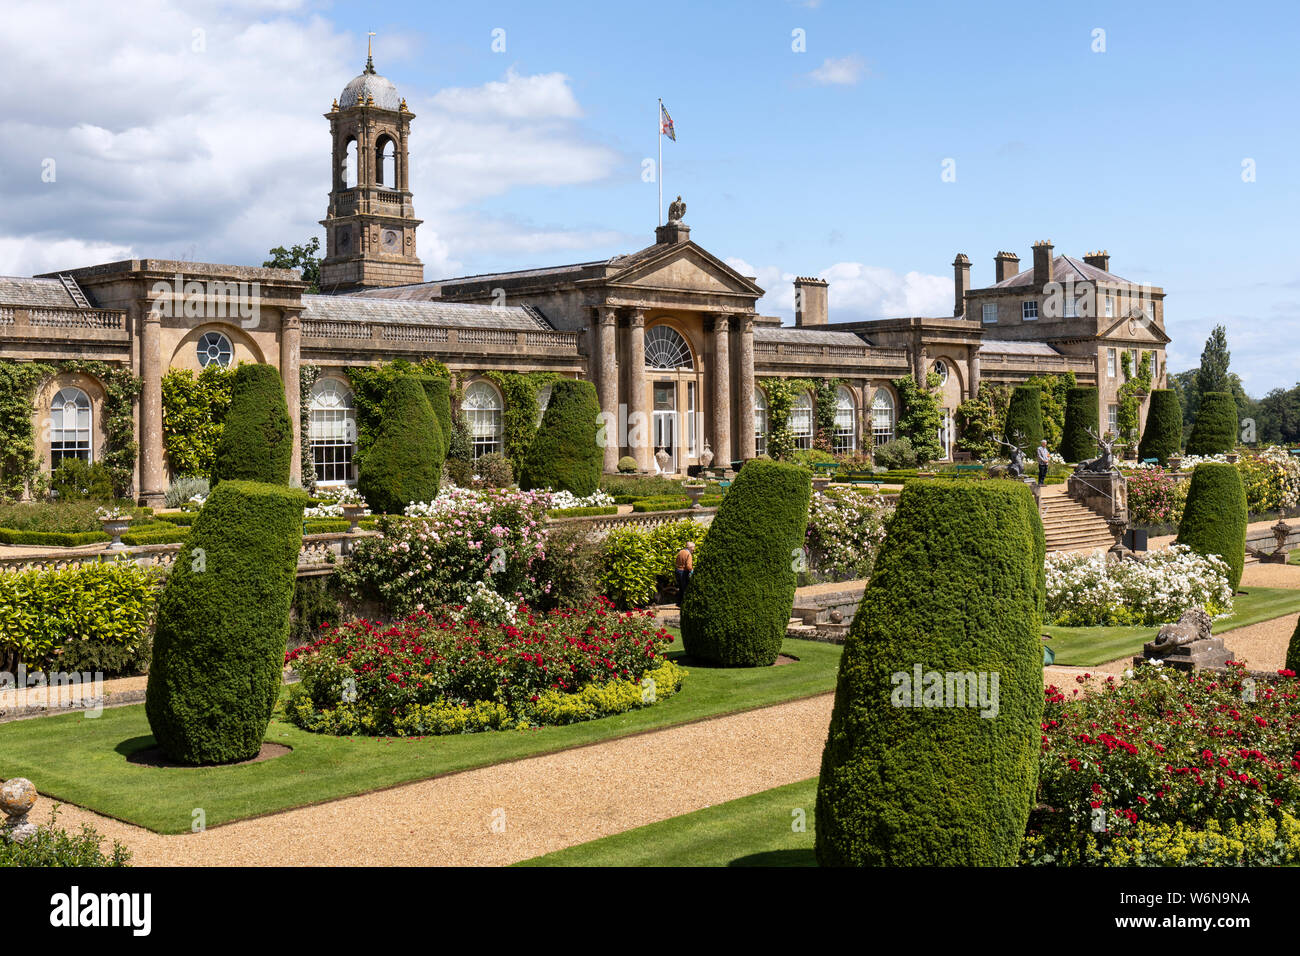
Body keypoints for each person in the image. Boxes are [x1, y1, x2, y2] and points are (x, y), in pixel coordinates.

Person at [675, 541, 696, 607]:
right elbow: (688, 565)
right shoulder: (688, 554)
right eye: (693, 547)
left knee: (681, 588)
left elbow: (676, 561)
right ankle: (686, 605)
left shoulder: (680, 552)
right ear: (690, 547)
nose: (694, 549)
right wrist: (692, 571)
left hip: (677, 571)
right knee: (686, 589)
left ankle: (679, 603)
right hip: (683, 572)